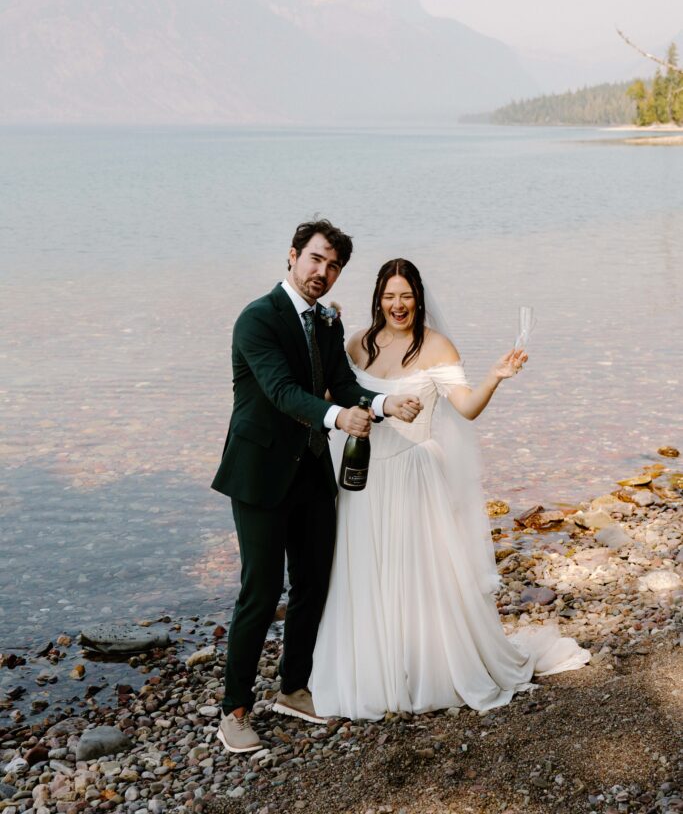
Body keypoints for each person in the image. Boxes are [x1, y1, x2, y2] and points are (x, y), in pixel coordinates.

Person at [310, 258, 589, 720]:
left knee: (415, 574)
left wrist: (494, 377)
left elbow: (467, 409)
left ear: (418, 298)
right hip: (360, 476)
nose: (397, 305)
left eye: (406, 296)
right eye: (389, 296)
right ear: (378, 298)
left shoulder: (437, 348)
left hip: (411, 474)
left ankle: (422, 667)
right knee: (363, 569)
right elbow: (335, 396)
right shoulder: (358, 343)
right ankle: (373, 666)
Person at [211, 223, 423, 753]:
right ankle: (234, 711)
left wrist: (382, 405)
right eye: (315, 260)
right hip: (259, 474)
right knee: (260, 592)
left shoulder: (328, 322)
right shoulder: (257, 319)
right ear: (292, 256)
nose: (321, 273)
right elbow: (282, 392)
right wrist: (337, 419)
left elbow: (344, 385)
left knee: (313, 584)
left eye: (332, 267)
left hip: (310, 472)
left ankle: (293, 687)